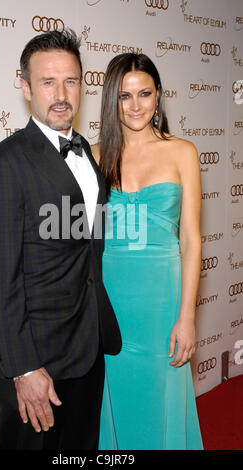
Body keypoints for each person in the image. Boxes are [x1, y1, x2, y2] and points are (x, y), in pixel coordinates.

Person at [0, 29, 121, 451]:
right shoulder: (0, 165)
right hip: (36, 358)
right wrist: (23, 369)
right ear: (25, 86)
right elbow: (1, 282)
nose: (61, 94)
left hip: (87, 345)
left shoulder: (87, 154)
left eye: (71, 81)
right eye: (47, 81)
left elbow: (87, 249)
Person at [91, 53, 203, 450]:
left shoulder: (182, 153)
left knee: (162, 399)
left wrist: (187, 317)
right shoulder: (94, 155)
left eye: (145, 93)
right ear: (111, 100)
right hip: (110, 299)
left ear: (158, 97)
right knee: (114, 401)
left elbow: (191, 240)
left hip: (161, 301)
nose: (136, 105)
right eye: (124, 96)